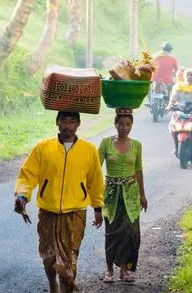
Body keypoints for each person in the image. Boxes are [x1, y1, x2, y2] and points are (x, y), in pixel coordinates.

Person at [13, 111, 105, 293]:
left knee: (69, 260)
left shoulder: (88, 150)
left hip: (75, 212)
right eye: (63, 121)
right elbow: (28, 174)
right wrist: (22, 196)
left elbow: (95, 180)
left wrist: (97, 207)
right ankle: (52, 284)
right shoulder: (42, 148)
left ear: (78, 124)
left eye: (72, 122)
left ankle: (66, 290)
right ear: (57, 122)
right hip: (48, 211)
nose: (67, 126)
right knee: (48, 257)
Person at [98, 108, 147, 283]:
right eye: (121, 124)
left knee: (130, 233)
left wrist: (142, 194)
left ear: (132, 125)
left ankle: (125, 270)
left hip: (131, 195)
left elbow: (138, 170)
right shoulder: (105, 143)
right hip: (111, 195)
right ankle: (110, 270)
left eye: (128, 124)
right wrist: (95, 197)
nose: (124, 128)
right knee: (112, 232)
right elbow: (96, 170)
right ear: (115, 124)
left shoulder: (137, 145)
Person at [167, 68, 192, 157]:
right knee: (171, 124)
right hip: (180, 112)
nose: (190, 77)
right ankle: (176, 146)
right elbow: (173, 98)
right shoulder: (178, 86)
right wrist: (169, 105)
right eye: (188, 74)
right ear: (185, 76)